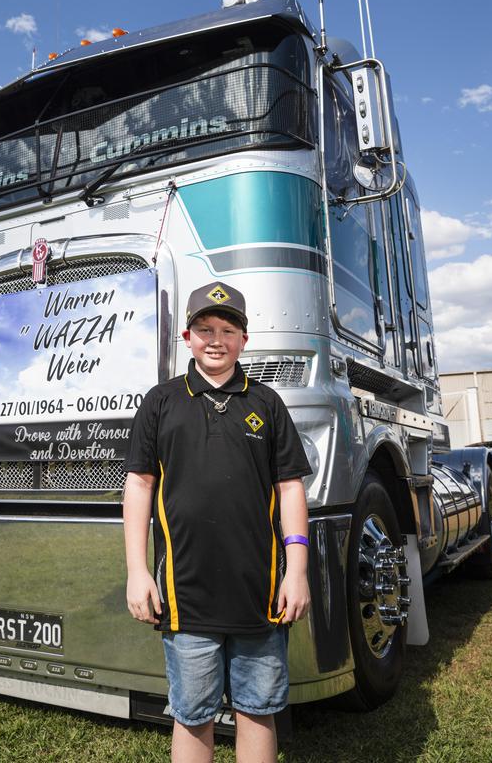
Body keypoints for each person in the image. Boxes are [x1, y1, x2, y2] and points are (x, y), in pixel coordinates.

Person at [123, 282, 312, 763]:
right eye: (205, 328)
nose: (216, 339)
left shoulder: (266, 404)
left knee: (257, 710)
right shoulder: (161, 402)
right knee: (193, 714)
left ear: (244, 340)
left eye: (228, 330)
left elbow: (290, 488)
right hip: (186, 596)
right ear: (186, 336)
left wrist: (297, 571)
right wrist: (137, 571)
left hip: (260, 593)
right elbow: (140, 486)